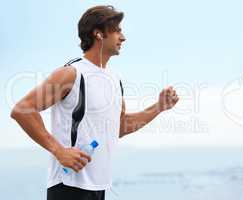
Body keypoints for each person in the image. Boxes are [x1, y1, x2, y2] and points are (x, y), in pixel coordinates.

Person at [10, 5, 179, 200]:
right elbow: (22, 110)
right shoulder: (71, 74)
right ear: (98, 34)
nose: (123, 38)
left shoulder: (114, 79)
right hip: (68, 186)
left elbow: (120, 127)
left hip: (99, 187)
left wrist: (158, 107)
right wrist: (59, 151)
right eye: (117, 31)